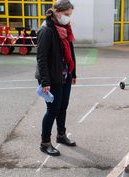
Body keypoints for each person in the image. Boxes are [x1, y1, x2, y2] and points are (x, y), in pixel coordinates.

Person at [35, 0, 77, 156]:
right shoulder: (46, 30)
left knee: (63, 107)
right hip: (51, 78)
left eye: (70, 15)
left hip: (64, 75)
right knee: (52, 110)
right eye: (66, 15)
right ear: (57, 12)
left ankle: (61, 135)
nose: (68, 18)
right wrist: (45, 82)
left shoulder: (65, 27)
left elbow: (70, 52)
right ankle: (45, 143)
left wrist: (73, 73)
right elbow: (41, 58)